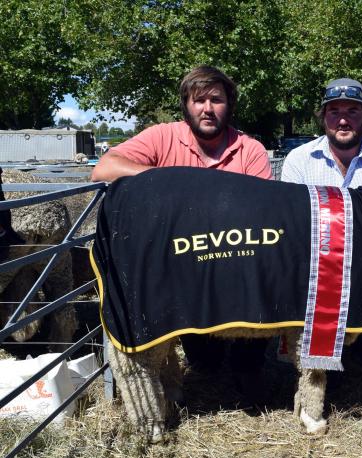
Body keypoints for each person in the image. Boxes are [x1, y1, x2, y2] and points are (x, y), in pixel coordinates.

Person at [91, 65, 273, 398]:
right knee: (206, 361)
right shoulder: (161, 135)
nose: (207, 108)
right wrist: (172, 183)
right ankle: (203, 348)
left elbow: (262, 212)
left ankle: (250, 364)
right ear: (186, 105)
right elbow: (104, 168)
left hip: (236, 256)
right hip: (182, 261)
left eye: (216, 99)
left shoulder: (251, 150)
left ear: (228, 105)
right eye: (198, 99)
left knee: (263, 281)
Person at [281, 77, 362, 339]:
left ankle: (358, 340)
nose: (342, 120)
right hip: (314, 270)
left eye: (352, 111)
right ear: (323, 117)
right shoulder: (298, 160)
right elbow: (290, 225)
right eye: (334, 111)